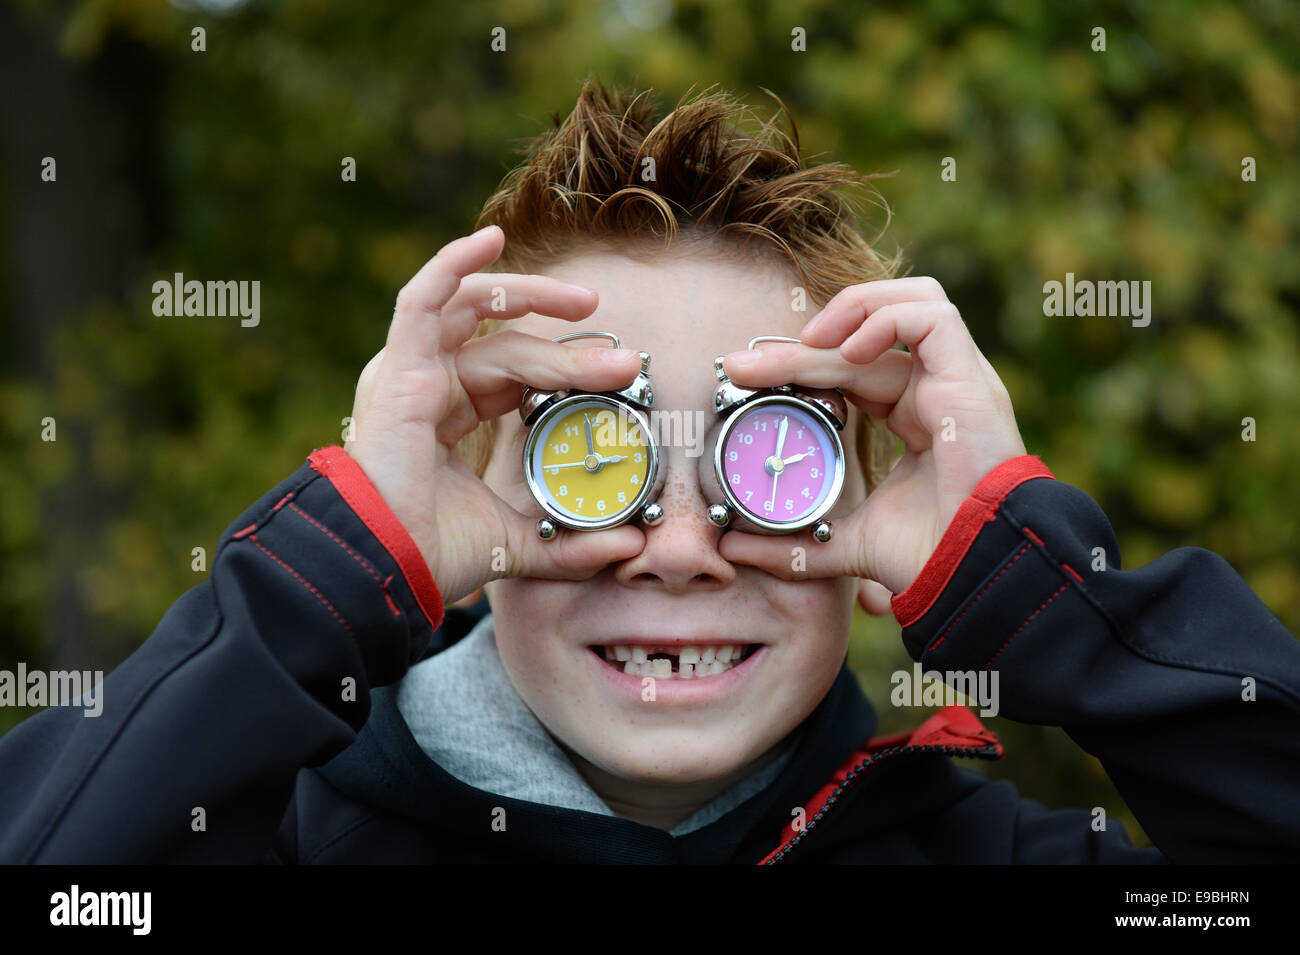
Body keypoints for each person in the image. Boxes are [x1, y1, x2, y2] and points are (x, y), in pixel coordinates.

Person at [3, 79, 1298, 864]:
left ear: (868, 516)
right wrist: (319, 585)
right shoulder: (269, 837)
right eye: (591, 449)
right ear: (471, 492)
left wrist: (1038, 588)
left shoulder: (994, 858)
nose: (676, 548)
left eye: (770, 452)